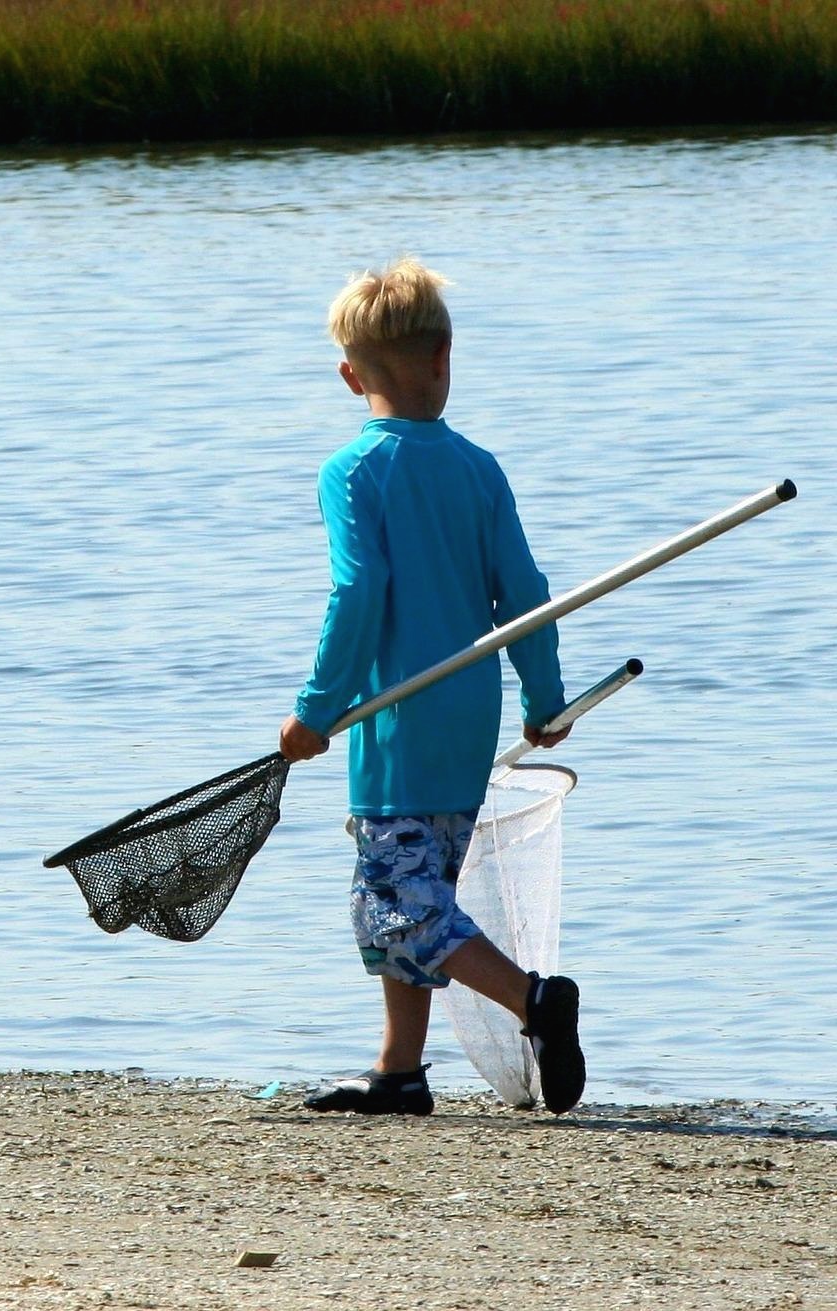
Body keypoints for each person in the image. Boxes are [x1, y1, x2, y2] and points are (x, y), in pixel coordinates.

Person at [279, 257, 586, 1116]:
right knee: (405, 895)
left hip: (397, 729)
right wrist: (543, 697)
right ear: (447, 355)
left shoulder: (353, 470)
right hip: (466, 719)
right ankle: (400, 1070)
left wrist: (316, 709)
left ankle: (534, 1001)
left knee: (400, 902)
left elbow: (358, 589)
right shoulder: (478, 467)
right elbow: (525, 593)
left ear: (350, 376)